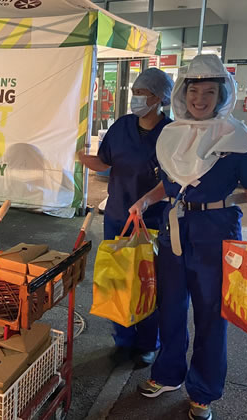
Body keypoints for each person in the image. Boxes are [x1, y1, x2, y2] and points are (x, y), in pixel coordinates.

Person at [129, 55, 247, 420]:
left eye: (209, 91)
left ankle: (204, 391)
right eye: (194, 91)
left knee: (213, 313)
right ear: (183, 94)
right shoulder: (172, 135)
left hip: (217, 233)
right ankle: (167, 375)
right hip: (174, 231)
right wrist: (145, 200)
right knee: (171, 306)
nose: (200, 99)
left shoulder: (237, 137)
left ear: (221, 94)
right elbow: (170, 185)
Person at [79, 68, 174, 367]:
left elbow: (172, 180)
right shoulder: (122, 126)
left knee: (147, 283)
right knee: (118, 280)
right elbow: (105, 163)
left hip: (153, 222)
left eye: (142, 94)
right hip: (118, 215)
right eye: (134, 93)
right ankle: (123, 339)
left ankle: (147, 343)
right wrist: (79, 157)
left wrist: (146, 202)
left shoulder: (171, 134)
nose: (135, 99)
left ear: (159, 98)